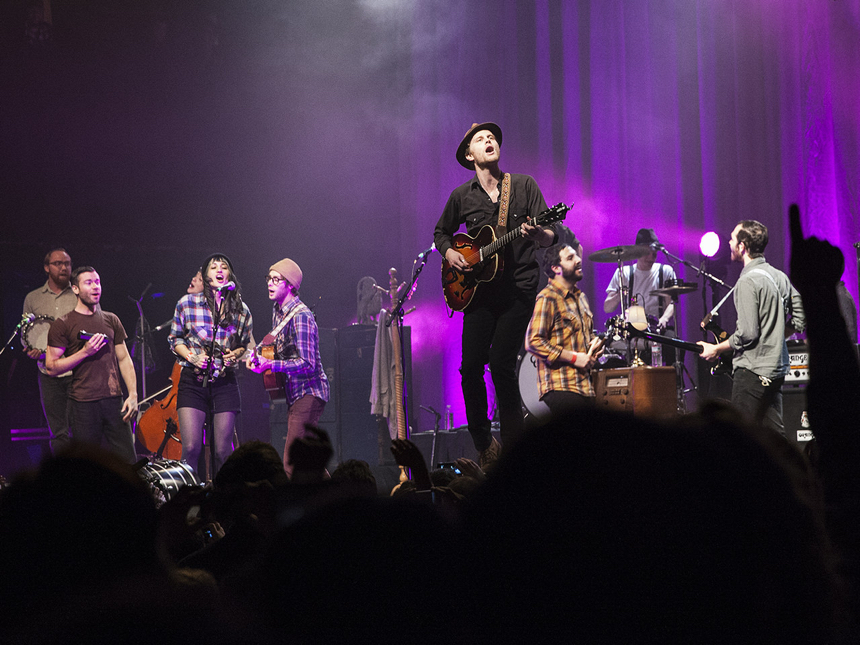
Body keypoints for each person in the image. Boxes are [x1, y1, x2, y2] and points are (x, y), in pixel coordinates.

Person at [433, 122, 557, 467]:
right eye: (480, 139)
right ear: (470, 155)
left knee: (501, 365)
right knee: (470, 367)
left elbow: (551, 234)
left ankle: (516, 452)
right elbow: (441, 232)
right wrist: (450, 253)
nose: (489, 141)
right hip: (479, 293)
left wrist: (538, 235)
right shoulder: (462, 196)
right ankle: (484, 444)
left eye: (492, 138)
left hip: (518, 289)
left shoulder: (522, 186)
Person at [698, 220, 805, 435]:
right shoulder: (779, 277)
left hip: (752, 372)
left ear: (742, 246)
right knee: (774, 437)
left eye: (732, 238)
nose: (729, 242)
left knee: (743, 438)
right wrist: (777, 335)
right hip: (776, 370)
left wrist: (715, 349)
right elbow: (801, 317)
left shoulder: (747, 281)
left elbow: (747, 333)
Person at [168, 254, 252, 476]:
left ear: (230, 275)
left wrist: (235, 354)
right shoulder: (186, 304)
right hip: (193, 381)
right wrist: (192, 357)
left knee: (223, 451)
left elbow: (243, 345)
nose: (219, 270)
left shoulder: (241, 309)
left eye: (224, 267)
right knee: (192, 447)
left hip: (224, 383)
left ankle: (226, 500)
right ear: (205, 275)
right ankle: (190, 501)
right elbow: (175, 339)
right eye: (213, 267)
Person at [245, 258, 329, 477]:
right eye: (269, 279)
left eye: (276, 279)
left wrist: (272, 364)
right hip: (294, 394)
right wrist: (255, 357)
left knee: (292, 464)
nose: (269, 284)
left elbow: (307, 364)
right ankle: (341, 497)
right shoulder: (278, 311)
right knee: (310, 464)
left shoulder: (301, 316)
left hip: (308, 393)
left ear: (290, 285)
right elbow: (278, 348)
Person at [44, 266, 138, 462]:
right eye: (89, 283)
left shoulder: (111, 320)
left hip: (114, 401)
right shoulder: (63, 323)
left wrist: (133, 394)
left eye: (97, 282)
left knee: (128, 462)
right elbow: (51, 367)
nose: (96, 287)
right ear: (75, 289)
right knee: (87, 465)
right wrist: (84, 352)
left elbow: (124, 359)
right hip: (83, 403)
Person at [526, 241, 603, 416]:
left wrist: (594, 345)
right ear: (556, 268)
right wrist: (575, 358)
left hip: (585, 387)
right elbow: (533, 342)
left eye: (576, 255)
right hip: (561, 387)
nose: (578, 260)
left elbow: (579, 338)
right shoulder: (548, 297)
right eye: (570, 258)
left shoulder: (581, 298)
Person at [22, 248, 78, 453]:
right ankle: (63, 478)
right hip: (48, 373)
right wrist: (31, 348)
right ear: (47, 268)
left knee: (80, 428)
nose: (64, 267)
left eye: (68, 263)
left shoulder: (78, 293)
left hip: (77, 372)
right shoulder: (33, 298)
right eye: (58, 263)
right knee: (58, 430)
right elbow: (26, 332)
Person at [604, 227, 677, 364]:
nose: (651, 257)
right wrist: (621, 290)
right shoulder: (624, 273)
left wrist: (664, 319)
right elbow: (607, 308)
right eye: (647, 252)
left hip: (657, 326)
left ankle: (675, 380)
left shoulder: (665, 271)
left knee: (673, 342)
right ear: (637, 251)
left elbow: (671, 303)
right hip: (632, 326)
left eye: (654, 253)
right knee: (612, 342)